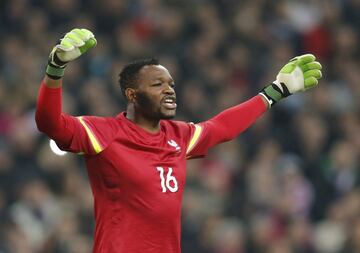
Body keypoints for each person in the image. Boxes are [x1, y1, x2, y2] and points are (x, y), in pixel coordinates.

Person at [35, 29, 322, 253]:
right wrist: (56, 67)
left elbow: (221, 128)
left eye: (171, 84)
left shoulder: (178, 137)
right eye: (158, 85)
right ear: (132, 95)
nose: (169, 90)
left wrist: (276, 90)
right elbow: (50, 123)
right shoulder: (104, 132)